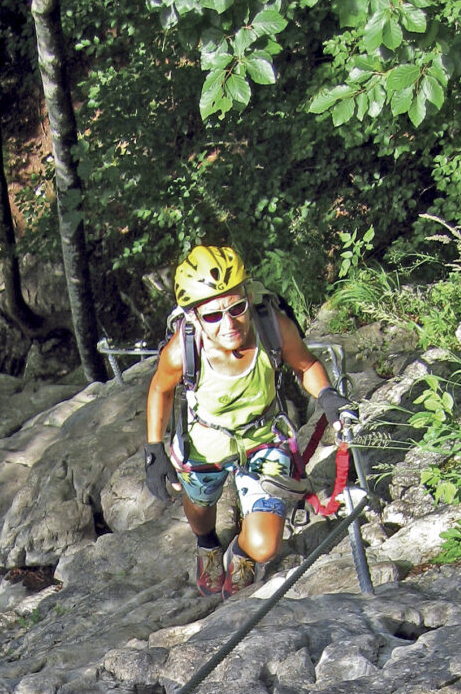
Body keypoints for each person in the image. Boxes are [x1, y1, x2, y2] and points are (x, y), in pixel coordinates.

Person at [145, 245, 357, 598]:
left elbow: (305, 365)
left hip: (264, 437)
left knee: (265, 546)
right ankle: (207, 543)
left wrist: (328, 396)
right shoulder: (183, 349)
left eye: (237, 308)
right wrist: (154, 448)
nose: (229, 324)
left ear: (247, 297)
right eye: (213, 317)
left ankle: (242, 553)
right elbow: (160, 389)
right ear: (195, 317)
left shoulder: (271, 326)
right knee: (200, 507)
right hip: (206, 440)